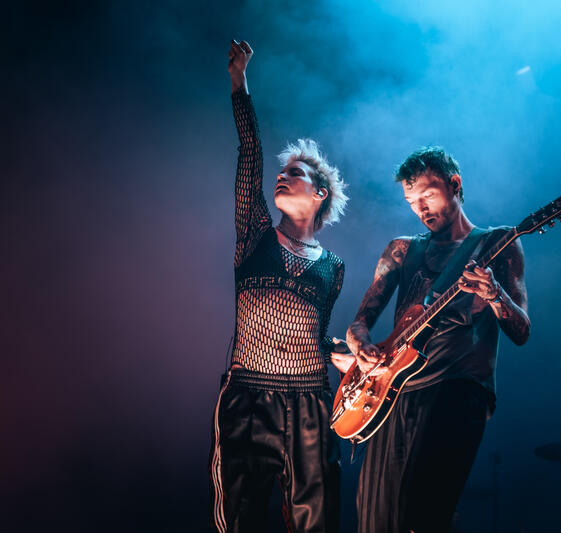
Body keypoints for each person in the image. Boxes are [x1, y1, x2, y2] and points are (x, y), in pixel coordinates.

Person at [331, 147, 531, 532]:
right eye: (411, 202)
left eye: (427, 195)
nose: (420, 208)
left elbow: (521, 331)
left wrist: (493, 295)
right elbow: (359, 323)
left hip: (457, 389)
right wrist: (360, 345)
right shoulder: (403, 249)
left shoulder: (498, 243)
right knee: (375, 518)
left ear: (455, 185)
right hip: (391, 395)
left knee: (422, 515)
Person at [211, 40, 348, 533]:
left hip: (311, 403)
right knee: (239, 521)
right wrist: (239, 85)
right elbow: (250, 152)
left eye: (296, 174)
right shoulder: (253, 232)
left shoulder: (333, 266)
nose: (282, 178)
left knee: (317, 524)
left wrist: (344, 353)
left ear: (320, 193)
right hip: (248, 398)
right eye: (282, 173)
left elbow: (317, 336)